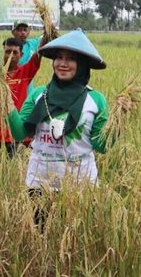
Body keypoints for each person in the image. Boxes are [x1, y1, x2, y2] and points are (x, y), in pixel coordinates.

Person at [8, 29, 110, 194]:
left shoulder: (96, 100)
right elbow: (19, 133)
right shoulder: (38, 94)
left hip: (80, 187)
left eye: (71, 59)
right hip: (40, 184)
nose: (62, 63)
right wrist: (6, 104)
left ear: (82, 64)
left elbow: (101, 146)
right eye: (59, 57)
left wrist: (117, 122)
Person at [0, 37, 43, 158]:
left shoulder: (25, 72)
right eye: (8, 51)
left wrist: (47, 28)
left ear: (21, 55)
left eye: (15, 52)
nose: (11, 55)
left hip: (14, 135)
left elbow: (40, 52)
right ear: (3, 53)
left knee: (12, 172)